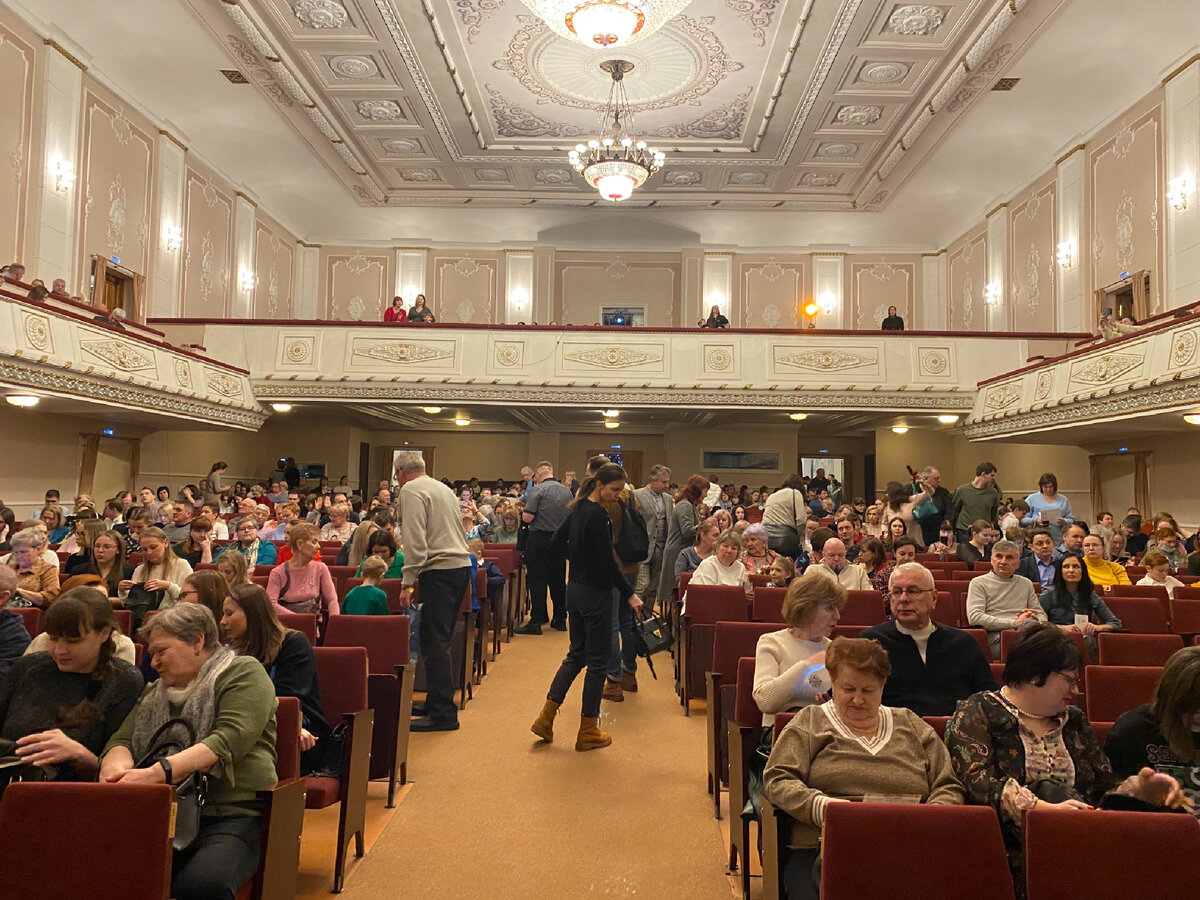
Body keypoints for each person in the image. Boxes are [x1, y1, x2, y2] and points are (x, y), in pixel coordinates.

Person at [946, 624, 1186, 896]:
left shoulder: (1074, 720)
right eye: (1069, 678)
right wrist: (1043, 811)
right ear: (1036, 673)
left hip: (1080, 847)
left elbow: (1102, 786)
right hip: (1005, 852)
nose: (1076, 689)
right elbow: (976, 783)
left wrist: (1138, 790)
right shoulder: (977, 711)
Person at [99, 603, 277, 900]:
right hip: (159, 812)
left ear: (198, 641)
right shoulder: (154, 692)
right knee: (97, 869)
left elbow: (227, 740)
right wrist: (115, 774)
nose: (153, 662)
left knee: (202, 885)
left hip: (228, 813)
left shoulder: (243, 672)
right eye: (152, 653)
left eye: (161, 651)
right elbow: (121, 740)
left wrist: (156, 775)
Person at [764, 638, 964, 900]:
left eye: (868, 690)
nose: (857, 699)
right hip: (824, 849)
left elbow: (947, 784)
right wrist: (824, 807)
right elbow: (777, 779)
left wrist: (932, 817)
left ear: (882, 686)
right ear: (833, 684)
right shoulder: (810, 721)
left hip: (908, 847)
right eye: (848, 689)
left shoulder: (910, 724)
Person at [530, 463, 643, 752]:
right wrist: (629, 593)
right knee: (597, 662)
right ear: (599, 485)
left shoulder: (577, 510)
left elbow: (555, 544)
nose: (617, 496)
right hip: (597, 596)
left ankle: (546, 717)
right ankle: (588, 728)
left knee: (575, 655)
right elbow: (608, 563)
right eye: (613, 490)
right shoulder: (598, 516)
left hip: (575, 591)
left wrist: (578, 560)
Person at [0, 588, 143, 779]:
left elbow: (117, 774)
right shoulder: (29, 667)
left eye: (73, 641)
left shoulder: (123, 681)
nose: (59, 650)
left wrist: (78, 754)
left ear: (104, 633)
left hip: (73, 795)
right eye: (53, 638)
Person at [395, 451, 472, 732]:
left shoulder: (412, 490)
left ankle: (443, 713)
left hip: (439, 569)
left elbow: (415, 537)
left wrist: (407, 581)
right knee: (438, 638)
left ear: (401, 472)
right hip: (459, 567)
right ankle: (435, 700)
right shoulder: (441, 487)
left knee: (434, 641)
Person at [221, 583, 332, 775]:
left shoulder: (292, 644)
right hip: (248, 725)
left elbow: (289, 698)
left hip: (298, 728)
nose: (222, 621)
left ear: (253, 614)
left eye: (229, 614)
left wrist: (292, 726)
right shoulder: (229, 650)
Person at [860, 562, 996, 716]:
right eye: (897, 592)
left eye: (913, 591)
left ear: (934, 598)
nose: (903, 599)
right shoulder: (870, 643)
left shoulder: (963, 643)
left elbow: (987, 699)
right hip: (895, 732)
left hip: (957, 731)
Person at [1105, 645, 1200, 809]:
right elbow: (1106, 805)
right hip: (1153, 829)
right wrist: (1133, 790)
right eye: (1191, 708)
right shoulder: (1133, 730)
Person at [752, 572, 845, 727]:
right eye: (830, 608)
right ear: (806, 608)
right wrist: (808, 665)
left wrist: (832, 704)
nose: (837, 616)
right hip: (783, 733)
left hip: (825, 731)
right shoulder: (771, 642)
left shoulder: (834, 649)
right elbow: (765, 702)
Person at [515, 461, 573, 635]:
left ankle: (537, 619)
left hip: (539, 538)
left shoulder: (537, 490)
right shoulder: (566, 491)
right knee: (558, 578)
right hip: (560, 539)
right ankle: (560, 618)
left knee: (537, 579)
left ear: (539, 475)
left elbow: (527, 518)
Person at [965, 539, 1045, 658]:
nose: (1003, 561)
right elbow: (975, 617)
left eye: (1009, 557)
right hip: (995, 637)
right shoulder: (978, 583)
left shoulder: (1026, 583)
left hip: (1026, 632)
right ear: (992, 561)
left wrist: (1036, 618)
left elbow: (1041, 614)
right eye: (999, 556)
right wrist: (1014, 623)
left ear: (1018, 564)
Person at [1037, 555, 1121, 659]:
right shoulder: (1049, 594)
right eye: (1066, 567)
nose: (1071, 570)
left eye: (1076, 567)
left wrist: (1096, 627)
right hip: (1055, 638)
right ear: (1060, 571)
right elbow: (1038, 623)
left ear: (1083, 571)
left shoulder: (1089, 594)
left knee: (1088, 641)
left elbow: (1115, 623)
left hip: (1083, 639)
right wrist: (1062, 628)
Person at [266, 523, 338, 625]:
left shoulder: (321, 568)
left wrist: (334, 623)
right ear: (299, 544)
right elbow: (271, 604)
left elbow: (332, 600)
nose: (318, 546)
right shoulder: (278, 572)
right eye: (314, 542)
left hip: (315, 625)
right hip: (287, 626)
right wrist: (301, 622)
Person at [659, 474, 710, 604]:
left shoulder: (690, 505)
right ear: (697, 490)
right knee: (673, 592)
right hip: (676, 552)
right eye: (705, 491)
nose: (706, 495)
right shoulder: (685, 506)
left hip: (681, 550)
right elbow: (687, 531)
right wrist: (706, 525)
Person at [117, 527, 192, 615]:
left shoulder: (181, 565)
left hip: (173, 616)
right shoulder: (139, 570)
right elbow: (134, 603)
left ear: (165, 543)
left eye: (153, 547)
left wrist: (168, 586)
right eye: (144, 549)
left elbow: (189, 598)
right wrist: (122, 591)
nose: (149, 552)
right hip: (144, 617)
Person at [632, 465, 672, 616]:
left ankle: (647, 620)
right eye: (663, 482)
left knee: (653, 588)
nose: (667, 486)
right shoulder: (636, 495)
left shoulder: (668, 499)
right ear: (652, 481)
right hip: (643, 548)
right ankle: (634, 619)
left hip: (661, 548)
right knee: (642, 585)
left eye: (667, 482)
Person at [7, 528, 61, 607]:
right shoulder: (9, 569)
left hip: (32, 614)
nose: (18, 556)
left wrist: (19, 591)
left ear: (38, 549)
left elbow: (50, 598)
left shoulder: (47, 569)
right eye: (15, 552)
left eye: (23, 552)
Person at [688, 530, 751, 599]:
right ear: (717, 548)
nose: (729, 551)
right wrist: (738, 595)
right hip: (700, 605)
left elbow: (746, 591)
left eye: (734, 548)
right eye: (725, 546)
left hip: (729, 606)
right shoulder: (708, 564)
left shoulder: (740, 567)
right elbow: (707, 594)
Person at [950, 462, 999, 545]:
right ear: (983, 474)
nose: (993, 478)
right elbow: (954, 511)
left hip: (984, 533)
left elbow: (993, 514)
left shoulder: (993, 493)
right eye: (991, 475)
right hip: (964, 531)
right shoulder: (962, 490)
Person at [1021, 473, 1074, 545]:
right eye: (1045, 487)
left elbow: (1071, 519)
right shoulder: (1031, 498)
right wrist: (1035, 520)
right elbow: (1023, 519)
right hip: (1037, 537)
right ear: (1041, 486)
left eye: (1050, 487)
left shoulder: (1063, 500)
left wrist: (1063, 521)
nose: (1048, 489)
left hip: (1058, 538)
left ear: (1055, 487)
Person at [762, 475, 806, 559]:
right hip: (786, 538)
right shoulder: (795, 493)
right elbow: (801, 520)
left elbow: (764, 520)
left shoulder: (772, 496)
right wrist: (798, 536)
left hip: (767, 537)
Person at [882, 476, 933, 549]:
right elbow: (884, 522)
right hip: (895, 544)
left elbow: (930, 492)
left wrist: (922, 482)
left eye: (888, 493)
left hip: (914, 542)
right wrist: (885, 533)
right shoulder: (889, 505)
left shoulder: (912, 500)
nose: (886, 495)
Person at [83, 529, 133, 600]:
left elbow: (132, 600)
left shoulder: (128, 572)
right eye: (97, 546)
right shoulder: (80, 570)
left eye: (107, 547)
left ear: (118, 550)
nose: (100, 550)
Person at [805, 537, 870, 591]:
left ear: (845, 554)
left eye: (840, 555)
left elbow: (869, 596)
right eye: (832, 555)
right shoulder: (813, 571)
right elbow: (803, 598)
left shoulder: (858, 571)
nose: (836, 559)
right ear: (823, 555)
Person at [854, 537, 892, 611]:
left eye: (864, 551)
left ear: (875, 553)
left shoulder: (885, 571)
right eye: (859, 551)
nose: (859, 554)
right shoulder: (856, 567)